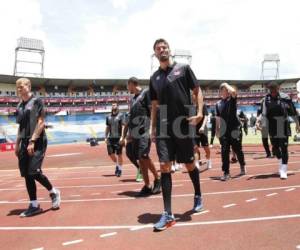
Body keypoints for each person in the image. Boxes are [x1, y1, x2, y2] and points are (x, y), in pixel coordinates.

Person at [149, 38, 204, 231]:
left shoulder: (183, 68)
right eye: (158, 48)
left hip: (183, 124)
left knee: (189, 164)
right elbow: (154, 105)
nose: (161, 50)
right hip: (163, 128)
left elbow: (197, 90)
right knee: (164, 166)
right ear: (155, 54)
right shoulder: (154, 77)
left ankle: (198, 194)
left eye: (164, 47)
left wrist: (199, 113)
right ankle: (168, 214)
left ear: (169, 50)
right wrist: (152, 127)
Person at [15, 78, 61, 217]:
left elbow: (41, 122)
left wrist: (32, 140)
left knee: (33, 171)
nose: (19, 89)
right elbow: (21, 127)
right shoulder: (19, 106)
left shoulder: (37, 101)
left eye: (21, 86)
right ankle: (34, 205)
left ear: (29, 86)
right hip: (23, 142)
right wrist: (17, 144)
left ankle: (53, 191)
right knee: (27, 175)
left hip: (37, 141)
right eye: (17, 87)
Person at [121, 77, 161, 196]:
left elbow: (153, 110)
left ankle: (157, 178)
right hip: (135, 134)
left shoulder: (146, 93)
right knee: (140, 159)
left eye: (127, 86)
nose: (127, 89)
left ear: (132, 84)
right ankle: (147, 185)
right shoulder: (133, 99)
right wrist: (128, 135)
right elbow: (131, 119)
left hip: (144, 131)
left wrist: (151, 129)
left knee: (144, 156)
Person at [256, 82, 300, 179]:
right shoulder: (266, 99)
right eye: (271, 91)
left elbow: (293, 111)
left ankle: (283, 169)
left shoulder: (285, 98)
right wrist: (260, 123)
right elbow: (263, 113)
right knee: (275, 148)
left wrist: (297, 124)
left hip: (283, 125)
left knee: (284, 148)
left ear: (278, 88)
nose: (273, 92)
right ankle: (280, 161)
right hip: (271, 126)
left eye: (274, 90)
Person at [215, 82, 246, 181]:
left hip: (234, 129)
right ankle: (226, 173)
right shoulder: (218, 104)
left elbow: (233, 91)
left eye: (225, 90)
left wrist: (225, 84)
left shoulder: (232, 99)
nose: (224, 92)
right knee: (224, 151)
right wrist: (217, 129)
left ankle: (242, 165)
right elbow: (218, 118)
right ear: (220, 92)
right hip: (224, 130)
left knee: (237, 149)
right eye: (222, 90)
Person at [123, 112, 143, 182]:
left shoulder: (142, 114)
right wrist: (123, 137)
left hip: (139, 137)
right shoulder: (128, 114)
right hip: (130, 138)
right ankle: (140, 168)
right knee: (129, 154)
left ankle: (141, 172)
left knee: (139, 156)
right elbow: (126, 126)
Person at [105, 102, 124, 177]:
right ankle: (117, 164)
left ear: (117, 107)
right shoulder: (108, 116)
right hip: (111, 138)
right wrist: (105, 137)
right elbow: (107, 127)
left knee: (119, 154)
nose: (113, 106)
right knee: (111, 154)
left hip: (119, 138)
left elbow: (123, 126)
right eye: (112, 105)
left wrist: (122, 137)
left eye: (115, 105)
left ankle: (120, 169)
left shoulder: (121, 115)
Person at [194, 102, 212, 170]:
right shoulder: (190, 105)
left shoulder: (202, 104)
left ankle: (209, 160)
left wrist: (202, 126)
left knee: (206, 148)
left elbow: (206, 116)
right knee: (195, 147)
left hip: (203, 129)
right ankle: (197, 163)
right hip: (194, 130)